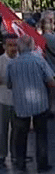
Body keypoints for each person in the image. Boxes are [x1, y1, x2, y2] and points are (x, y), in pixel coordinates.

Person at [7, 35, 55, 172]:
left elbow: (9, 84)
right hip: (40, 103)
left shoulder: (12, 64)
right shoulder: (39, 60)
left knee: (20, 135)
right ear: (31, 46)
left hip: (20, 104)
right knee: (41, 134)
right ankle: (42, 164)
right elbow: (52, 82)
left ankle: (20, 162)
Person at [0, 34, 18, 166]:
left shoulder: (20, 59)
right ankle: (2, 154)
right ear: (4, 46)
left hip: (18, 100)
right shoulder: (1, 61)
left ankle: (15, 154)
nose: (13, 48)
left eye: (15, 45)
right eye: (10, 45)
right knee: (2, 128)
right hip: (3, 99)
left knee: (17, 129)